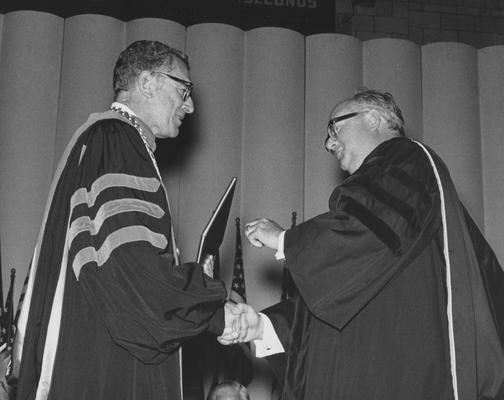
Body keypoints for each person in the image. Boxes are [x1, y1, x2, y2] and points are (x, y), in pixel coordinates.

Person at [222, 89, 504, 399]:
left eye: (334, 127)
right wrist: (264, 328)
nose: (329, 143)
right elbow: (347, 305)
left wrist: (285, 239)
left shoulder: (409, 158)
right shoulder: (378, 222)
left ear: (374, 118)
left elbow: (369, 236)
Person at [11, 40, 241, 400]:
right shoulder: (116, 139)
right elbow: (132, 271)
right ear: (148, 82)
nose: (191, 105)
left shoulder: (102, 141)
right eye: (184, 90)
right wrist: (209, 304)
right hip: (107, 362)